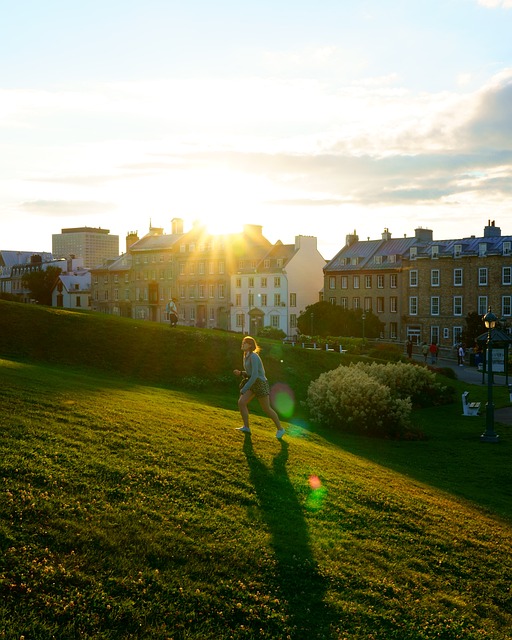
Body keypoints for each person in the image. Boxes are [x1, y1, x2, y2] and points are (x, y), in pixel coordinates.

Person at [233, 336, 285, 439]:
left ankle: (280, 429)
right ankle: (246, 427)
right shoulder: (245, 355)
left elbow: (255, 375)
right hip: (253, 383)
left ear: (250, 345)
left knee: (266, 409)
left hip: (260, 383)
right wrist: (241, 373)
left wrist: (244, 389)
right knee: (241, 402)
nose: (242, 344)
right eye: (243, 342)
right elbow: (250, 373)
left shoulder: (254, 356)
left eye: (245, 343)